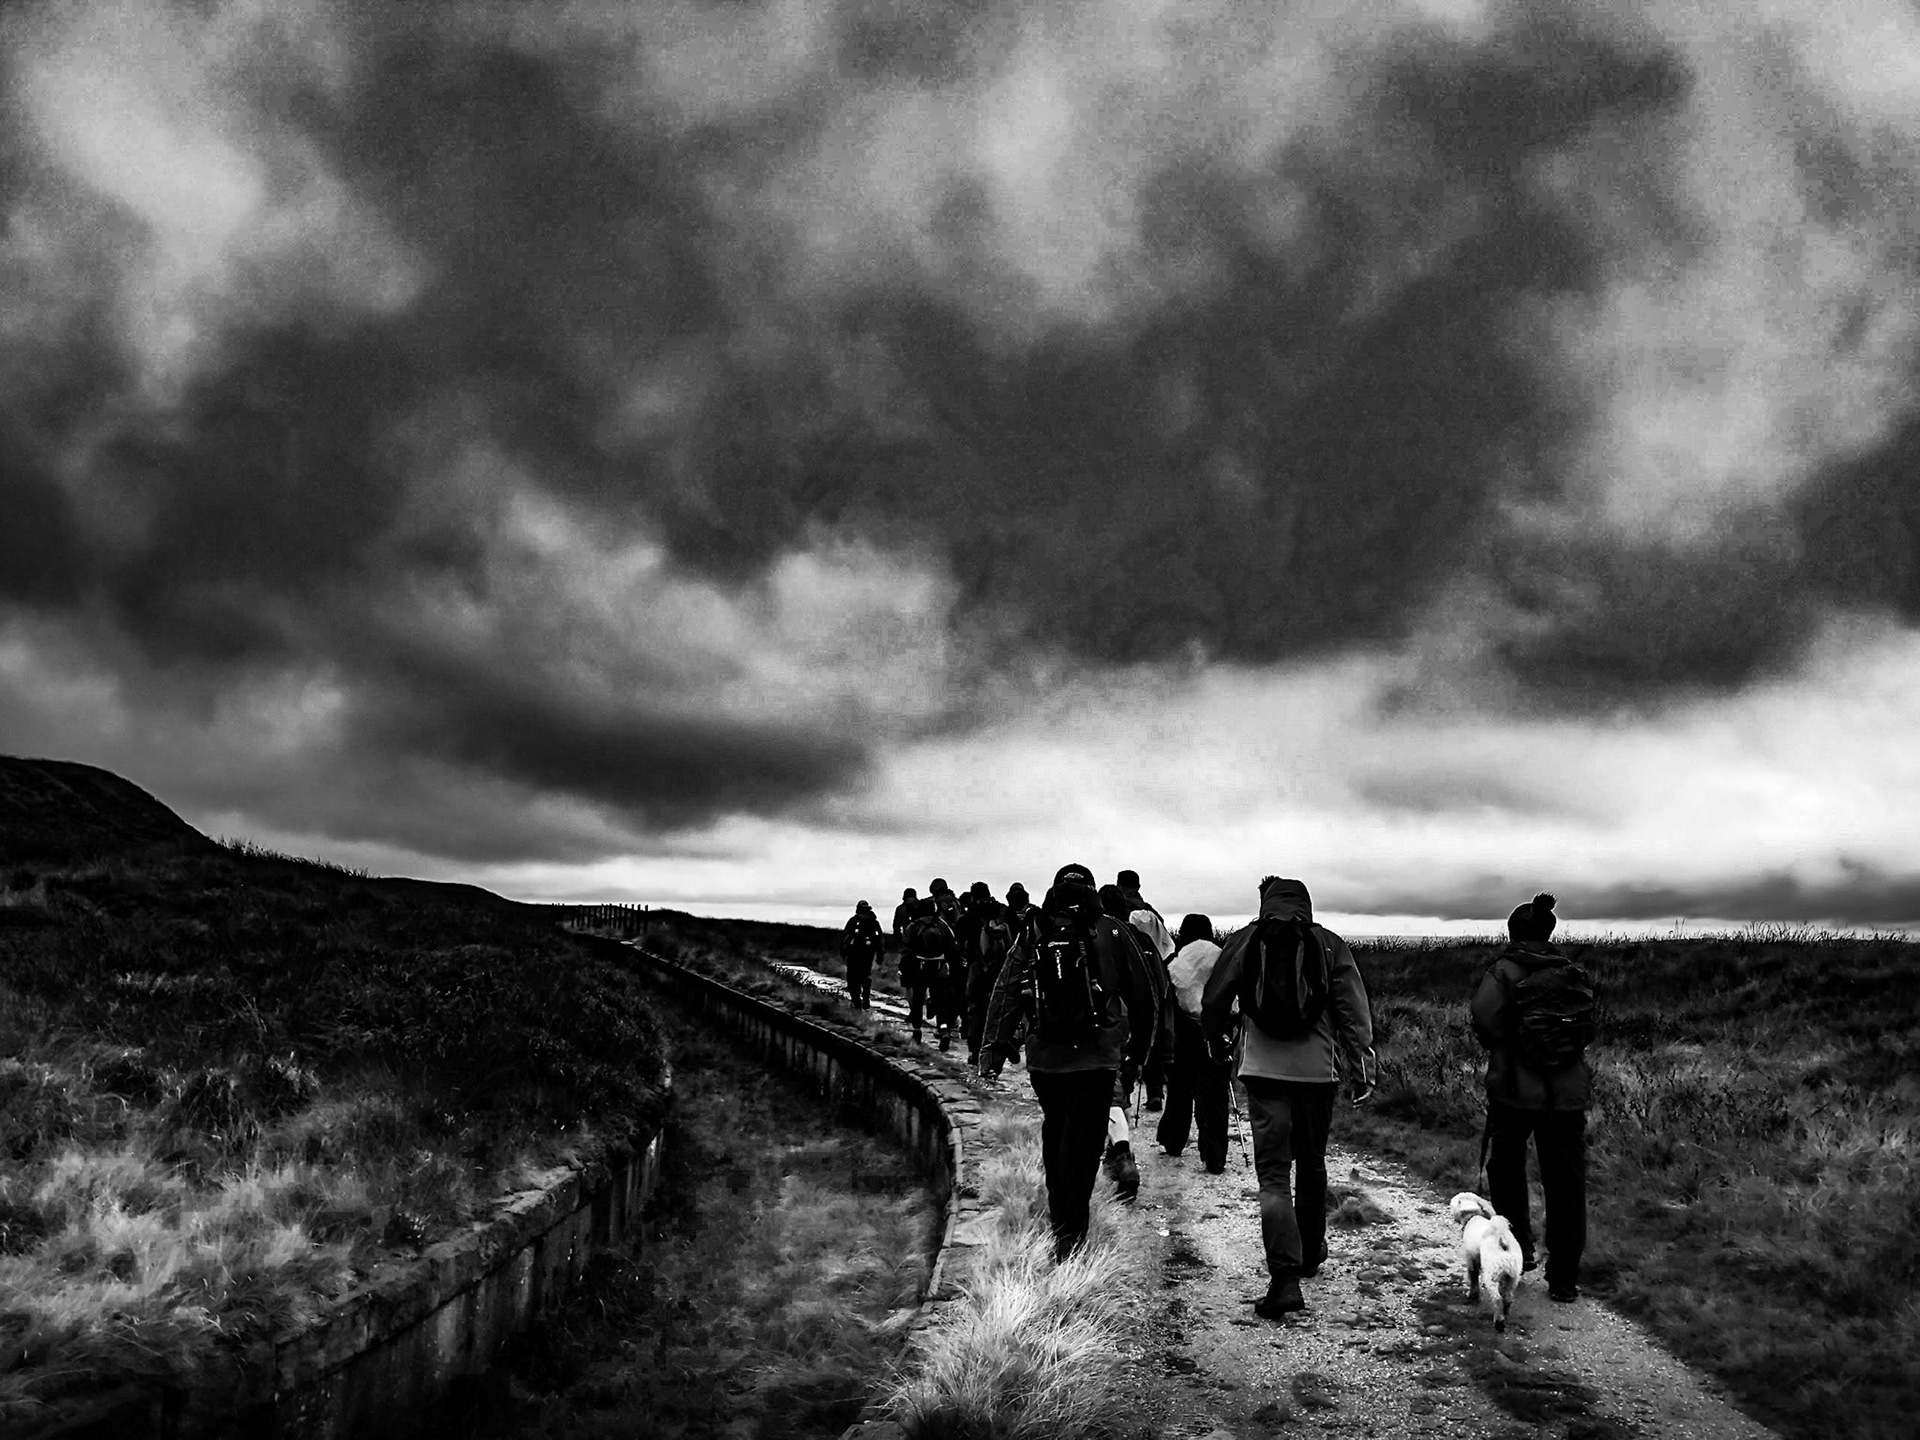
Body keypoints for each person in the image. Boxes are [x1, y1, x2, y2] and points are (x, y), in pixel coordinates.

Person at [1202, 876, 1375, 1320]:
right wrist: (1362, 1069)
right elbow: (1353, 1012)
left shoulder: (1245, 941)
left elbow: (1214, 1002)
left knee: (1274, 1178)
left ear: (1265, 904)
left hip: (1262, 1074)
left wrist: (1216, 1041)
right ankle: (1311, 1250)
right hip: (1318, 1075)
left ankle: (1284, 1282)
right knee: (1313, 1163)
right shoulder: (1331, 945)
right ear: (1306, 905)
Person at [978, 863, 1160, 1259]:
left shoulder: (1034, 929)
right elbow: (1144, 995)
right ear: (1092, 889)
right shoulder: (1113, 930)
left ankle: (1061, 1220)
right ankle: (1070, 1239)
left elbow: (1007, 988)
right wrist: (1139, 1057)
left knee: (1057, 1131)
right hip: (1095, 1060)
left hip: (1045, 1060)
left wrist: (992, 1052)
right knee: (1083, 1142)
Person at [1470, 892, 1591, 1304]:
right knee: (1567, 1181)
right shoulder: (1572, 973)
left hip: (1514, 1090)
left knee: (1505, 1168)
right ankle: (1565, 1278)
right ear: (1550, 931)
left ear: (1512, 932)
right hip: (1567, 1094)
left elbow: (1484, 1021)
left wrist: (1509, 1047)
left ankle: (1517, 1248)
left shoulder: (1503, 972)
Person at [1098, 883, 1173, 1200]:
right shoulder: (1141, 938)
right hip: (1139, 1026)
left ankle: (1122, 1157)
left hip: (1112, 1022)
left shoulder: (1100, 936)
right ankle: (1115, 1152)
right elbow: (1159, 984)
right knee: (1119, 1089)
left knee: (1110, 1093)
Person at [1158, 913, 1230, 1172]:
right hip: (1216, 1033)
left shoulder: (1178, 958)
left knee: (1179, 1089)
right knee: (1214, 1094)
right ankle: (1215, 1155)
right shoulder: (1222, 955)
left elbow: (1170, 995)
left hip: (1184, 1032)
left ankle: (1173, 1140)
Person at [1118, 869, 1175, 1109]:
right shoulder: (1151, 911)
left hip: (1129, 978)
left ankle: (1125, 1091)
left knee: (1130, 1036)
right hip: (1156, 973)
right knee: (1155, 1032)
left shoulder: (1119, 910)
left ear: (1120, 885)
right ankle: (1155, 1093)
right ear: (1138, 886)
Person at [959, 881, 1015, 1064]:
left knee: (975, 1009)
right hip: (1002, 967)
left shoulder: (970, 914)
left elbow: (958, 936)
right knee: (1001, 1009)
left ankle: (975, 1052)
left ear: (973, 896)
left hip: (978, 967)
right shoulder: (1004, 912)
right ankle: (1000, 1049)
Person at [900, 895, 958, 1046]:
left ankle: (917, 1033)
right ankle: (944, 1030)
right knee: (940, 1001)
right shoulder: (942, 925)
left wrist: (905, 970)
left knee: (918, 1001)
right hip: (939, 968)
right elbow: (952, 948)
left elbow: (907, 951)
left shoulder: (914, 926)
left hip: (919, 969)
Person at [840, 900, 884, 1009]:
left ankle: (856, 1001)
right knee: (865, 975)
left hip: (854, 952)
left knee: (852, 977)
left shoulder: (854, 920)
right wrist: (880, 954)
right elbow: (880, 939)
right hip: (869, 952)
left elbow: (846, 936)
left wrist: (843, 950)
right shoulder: (874, 922)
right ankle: (866, 999)